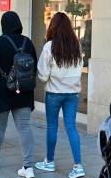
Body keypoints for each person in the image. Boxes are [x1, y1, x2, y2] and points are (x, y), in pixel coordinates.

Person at [0, 11, 37, 178]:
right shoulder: (28, 42)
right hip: (23, 92)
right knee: (24, 128)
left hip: (0, 92)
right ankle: (28, 167)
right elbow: (34, 68)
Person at [34, 12, 85, 178]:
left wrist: (51, 75)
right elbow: (79, 69)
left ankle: (49, 162)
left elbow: (42, 74)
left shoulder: (50, 46)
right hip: (72, 94)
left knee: (52, 127)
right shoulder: (76, 45)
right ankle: (78, 166)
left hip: (54, 93)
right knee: (71, 128)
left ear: (53, 26)